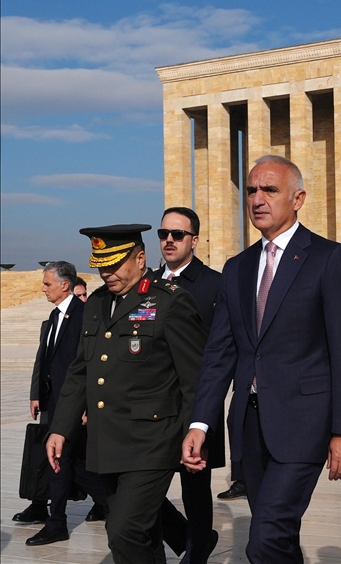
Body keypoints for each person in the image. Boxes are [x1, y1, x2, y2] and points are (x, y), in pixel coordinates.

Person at [181, 155, 341, 563]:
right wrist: (200, 423)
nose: (257, 199)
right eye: (252, 190)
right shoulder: (237, 268)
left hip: (305, 425)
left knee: (264, 538)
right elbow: (219, 354)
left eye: (270, 189)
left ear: (297, 198)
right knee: (278, 538)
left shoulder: (330, 259)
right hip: (250, 426)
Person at [46, 224, 204, 564]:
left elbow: (194, 379)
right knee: (143, 535)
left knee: (123, 531)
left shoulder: (169, 300)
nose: (107, 273)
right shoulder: (96, 303)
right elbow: (80, 371)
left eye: (115, 264)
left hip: (153, 440)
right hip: (107, 441)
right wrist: (60, 428)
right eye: (101, 266)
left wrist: (197, 431)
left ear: (140, 258)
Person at [20, 262, 109, 546]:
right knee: (72, 464)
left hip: (72, 404)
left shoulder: (83, 315)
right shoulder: (54, 315)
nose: (43, 289)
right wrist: (38, 394)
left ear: (64, 285)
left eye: (47, 284)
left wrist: (85, 406)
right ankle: (114, 504)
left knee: (61, 462)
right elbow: (45, 359)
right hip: (55, 401)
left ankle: (57, 522)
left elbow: (90, 365)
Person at [153, 207, 222, 563]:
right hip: (151, 404)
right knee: (143, 488)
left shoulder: (213, 284)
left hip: (193, 403)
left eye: (177, 234)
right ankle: (186, 538)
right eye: (163, 233)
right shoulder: (148, 282)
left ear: (194, 240)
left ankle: (196, 553)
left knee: (195, 488)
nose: (169, 240)